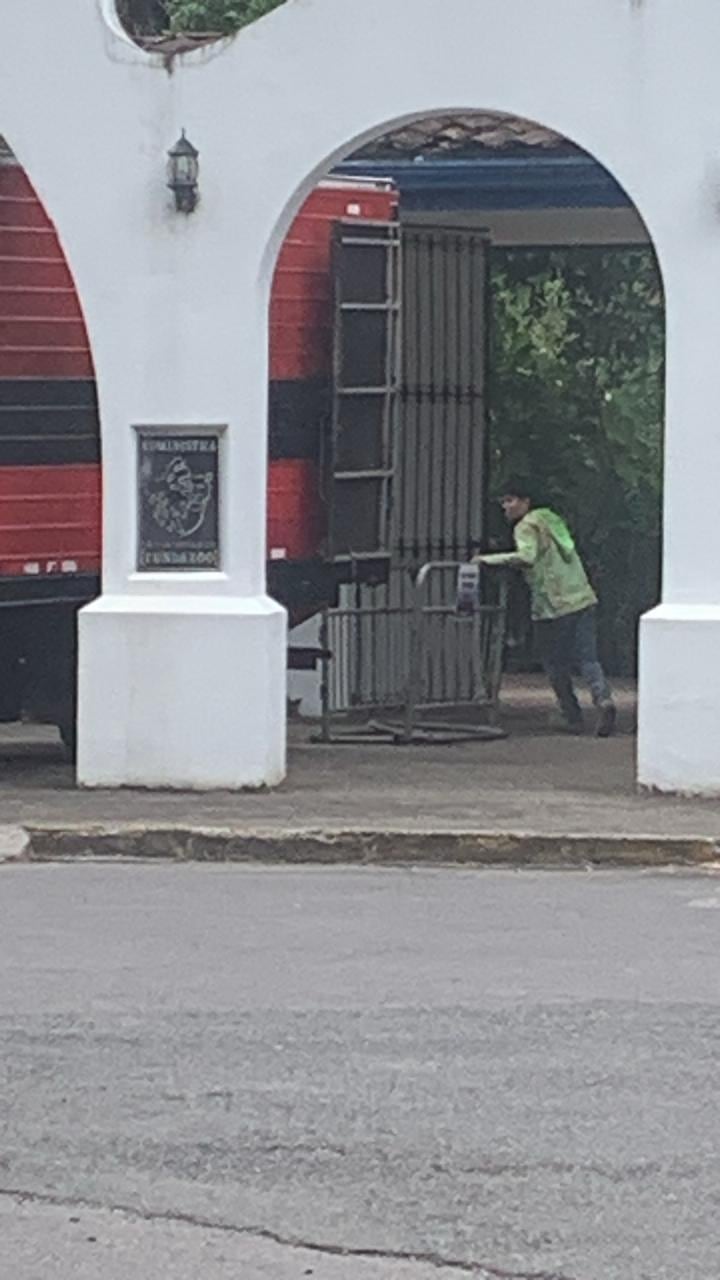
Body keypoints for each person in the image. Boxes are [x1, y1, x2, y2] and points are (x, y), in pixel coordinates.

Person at [473, 478, 616, 736]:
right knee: (588, 657)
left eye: (510, 500)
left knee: (554, 662)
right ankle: (603, 699)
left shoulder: (526, 526)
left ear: (526, 502)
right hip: (582, 596)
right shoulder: (552, 520)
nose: (506, 507)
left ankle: (571, 715)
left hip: (552, 605)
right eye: (503, 501)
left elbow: (527, 556)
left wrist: (487, 560)